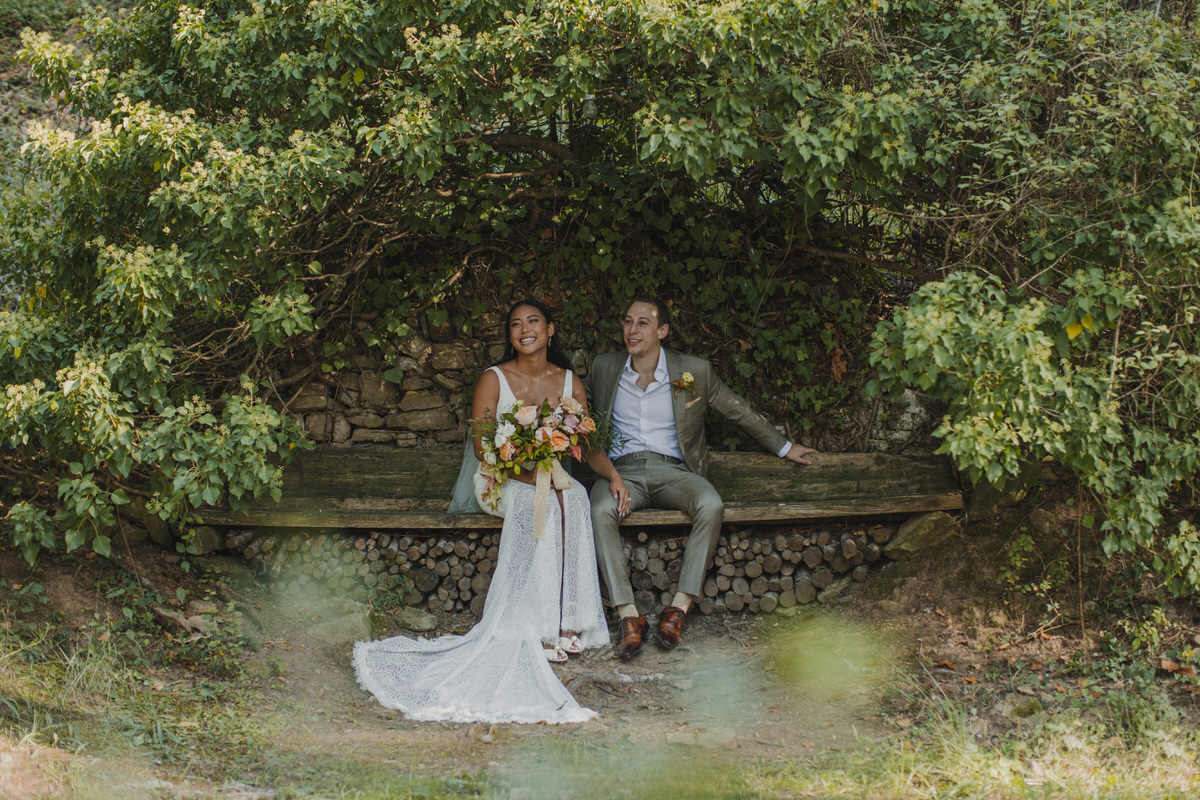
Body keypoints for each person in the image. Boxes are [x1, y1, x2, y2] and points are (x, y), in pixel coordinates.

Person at [354, 299, 628, 723]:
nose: (524, 329)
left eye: (533, 321)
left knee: (573, 498)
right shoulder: (493, 379)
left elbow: (586, 444)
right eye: (516, 324)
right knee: (539, 505)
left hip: (549, 472)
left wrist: (611, 476)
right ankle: (536, 627)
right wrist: (518, 469)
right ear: (510, 335)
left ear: (550, 329)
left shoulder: (570, 381)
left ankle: (570, 620)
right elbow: (483, 447)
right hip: (499, 478)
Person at [587, 295, 819, 659]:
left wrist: (784, 447)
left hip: (675, 471)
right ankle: (628, 616)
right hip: (622, 472)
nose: (632, 330)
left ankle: (678, 607)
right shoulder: (604, 367)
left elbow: (737, 410)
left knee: (710, 504)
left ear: (662, 330)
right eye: (628, 321)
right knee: (599, 507)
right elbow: (578, 412)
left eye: (643, 323)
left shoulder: (692, 370)